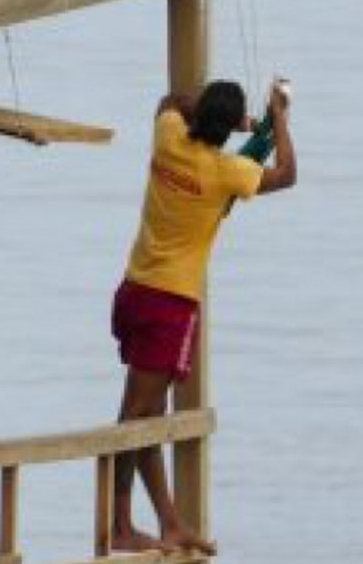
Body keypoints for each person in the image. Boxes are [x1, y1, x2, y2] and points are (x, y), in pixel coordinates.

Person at [108, 79, 296, 555]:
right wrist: (281, 120)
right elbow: (287, 173)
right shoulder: (225, 173)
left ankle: (168, 522)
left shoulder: (168, 136)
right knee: (136, 415)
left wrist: (233, 117)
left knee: (146, 413)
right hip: (169, 304)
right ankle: (119, 525)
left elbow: (168, 102)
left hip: (133, 290)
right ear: (228, 128)